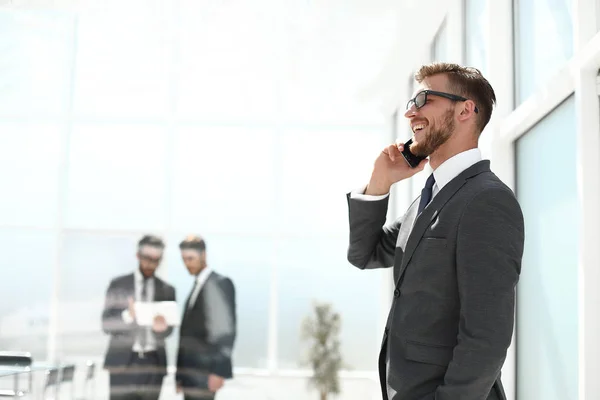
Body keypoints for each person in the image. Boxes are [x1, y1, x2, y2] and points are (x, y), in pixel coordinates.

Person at [346, 62, 525, 400]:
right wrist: (380, 182)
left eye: (423, 99)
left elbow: (486, 337)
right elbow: (363, 254)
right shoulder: (426, 201)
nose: (410, 113)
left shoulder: (487, 200)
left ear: (465, 110)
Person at [101, 235, 176, 400]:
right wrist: (128, 316)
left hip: (153, 364)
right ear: (138, 256)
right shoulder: (119, 285)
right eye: (148, 258)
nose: (151, 264)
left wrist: (162, 330)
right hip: (123, 363)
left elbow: (169, 329)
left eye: (157, 260)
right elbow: (106, 324)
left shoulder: (167, 290)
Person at [176, 235, 237, 400]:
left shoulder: (220, 284)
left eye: (191, 258)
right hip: (189, 374)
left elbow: (226, 331)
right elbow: (187, 334)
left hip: (206, 372)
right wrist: (179, 375)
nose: (187, 264)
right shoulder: (196, 287)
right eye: (184, 259)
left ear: (203, 255)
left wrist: (219, 371)